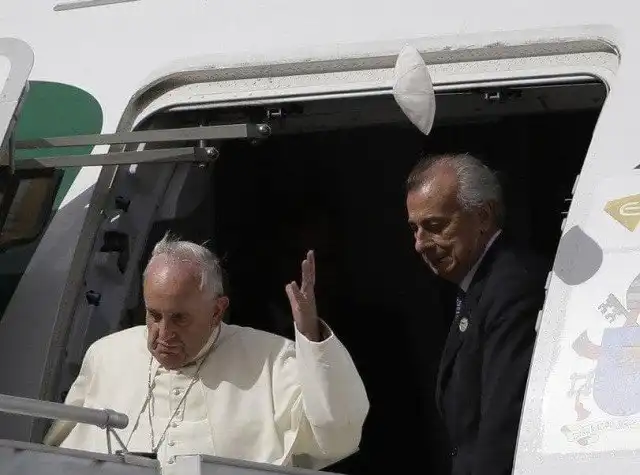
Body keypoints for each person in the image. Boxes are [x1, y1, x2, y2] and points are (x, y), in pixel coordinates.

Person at [44, 234, 369, 473]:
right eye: (154, 315)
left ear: (216, 311)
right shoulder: (107, 355)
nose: (163, 334)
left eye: (180, 319)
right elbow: (59, 456)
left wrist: (311, 336)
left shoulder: (271, 360)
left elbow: (337, 434)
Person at [405, 153, 548, 475]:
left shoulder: (511, 286)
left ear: (482, 216)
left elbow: (504, 425)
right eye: (414, 229)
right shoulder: (476, 286)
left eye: (435, 226)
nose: (420, 244)